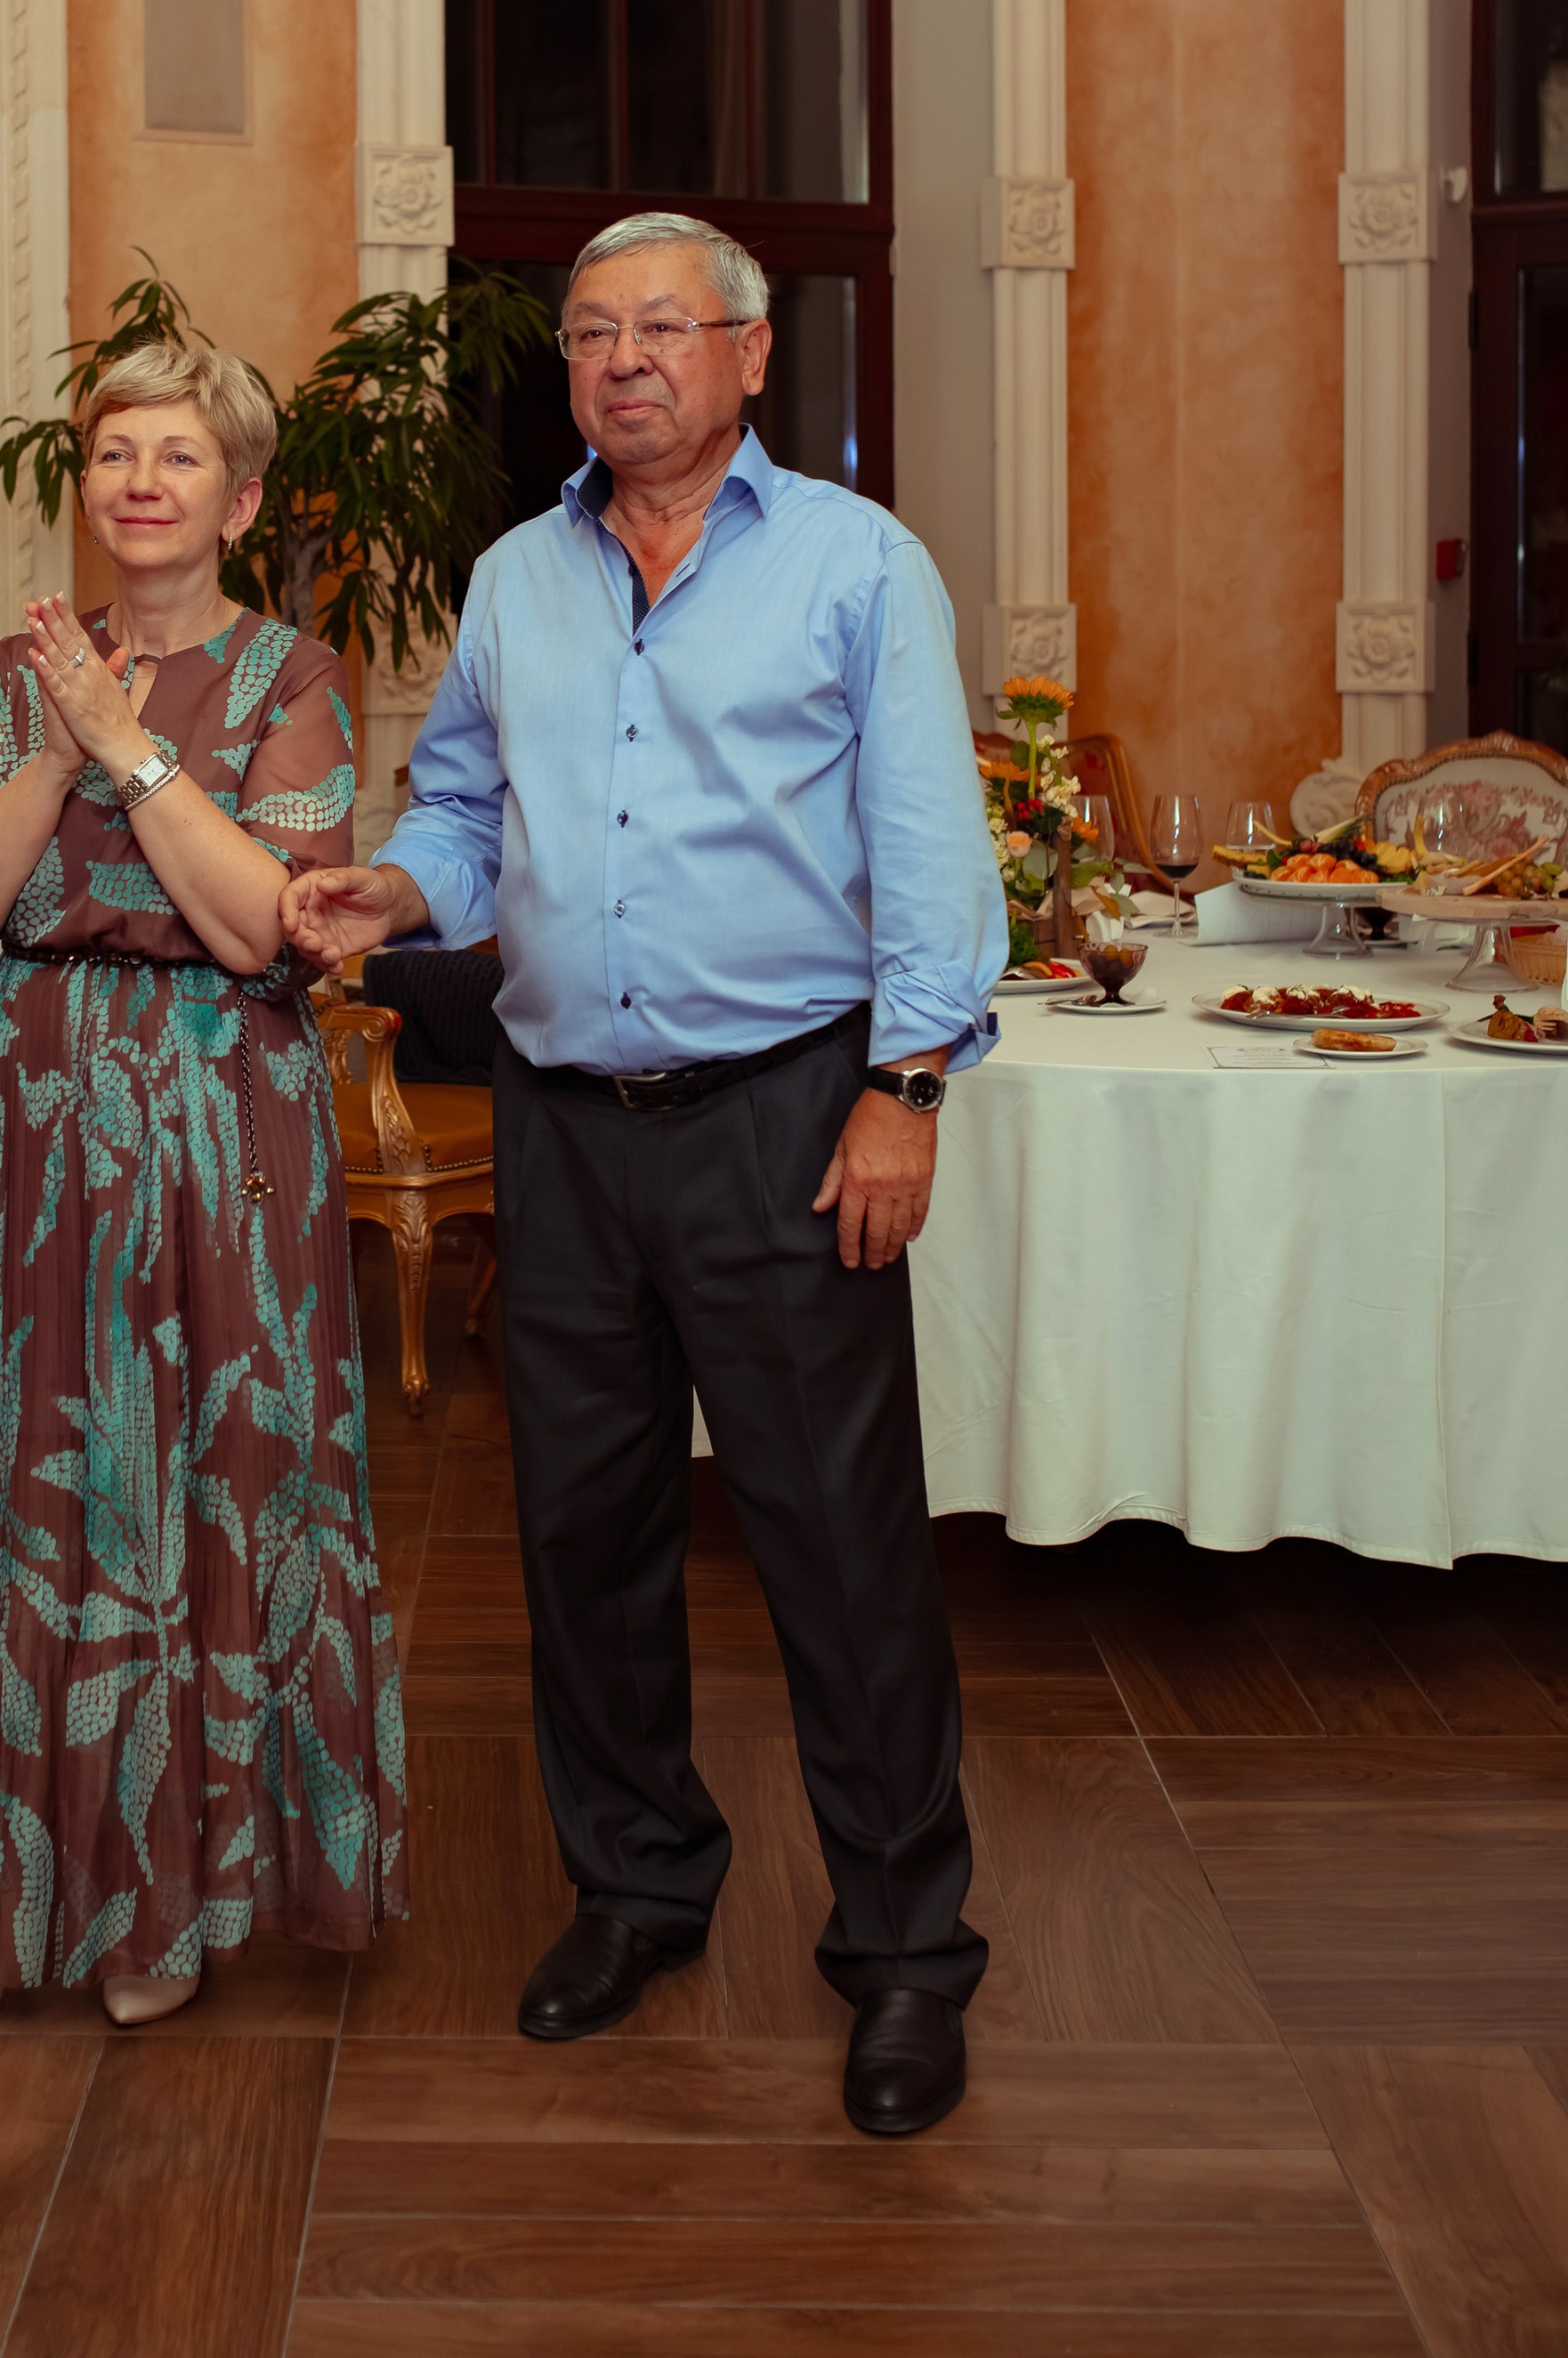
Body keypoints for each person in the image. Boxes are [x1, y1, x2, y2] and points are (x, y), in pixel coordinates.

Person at [283, 213, 1007, 2140]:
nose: (622, 360)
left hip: (786, 1116)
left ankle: (905, 1953)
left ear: (748, 354)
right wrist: (396, 888)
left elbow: (929, 842)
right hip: (563, 1122)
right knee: (583, 1535)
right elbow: (460, 801)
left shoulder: (856, 563)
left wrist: (906, 1085)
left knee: (838, 1547)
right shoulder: (517, 576)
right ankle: (635, 1887)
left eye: (663, 328)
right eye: (594, 332)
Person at [0, 337, 406, 2043]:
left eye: (179, 456)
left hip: (219, 1133)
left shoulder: (292, 677)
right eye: (116, 453)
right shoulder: (19, 673)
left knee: (181, 1498)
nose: (140, 482)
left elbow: (265, 928)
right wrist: (56, 747)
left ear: (238, 499)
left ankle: (149, 1901)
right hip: (32, 1121)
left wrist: (133, 745)